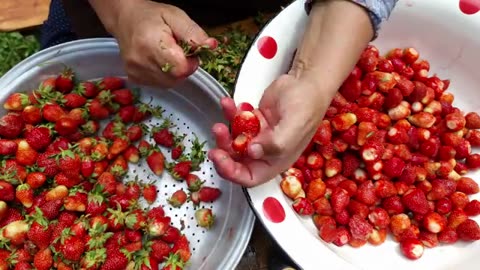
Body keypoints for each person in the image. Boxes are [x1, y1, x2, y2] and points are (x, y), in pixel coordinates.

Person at [41, 0, 398, 188]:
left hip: (278, 16)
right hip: (107, 12)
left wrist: (313, 78)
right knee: (66, 91)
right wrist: (122, 11)